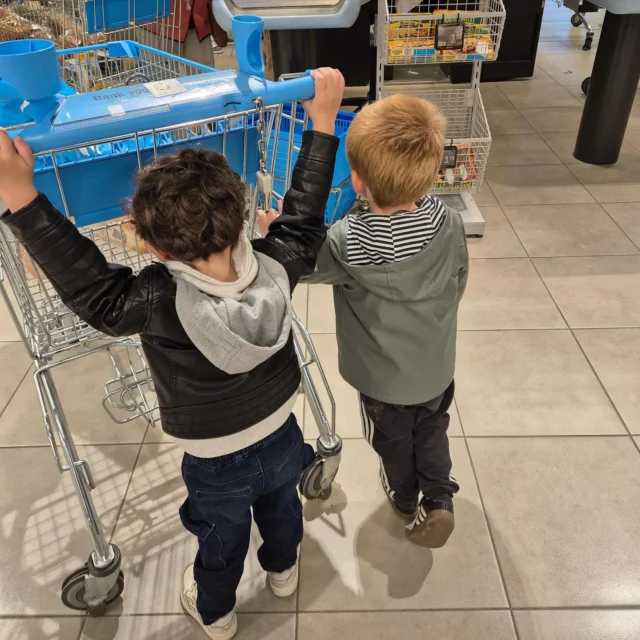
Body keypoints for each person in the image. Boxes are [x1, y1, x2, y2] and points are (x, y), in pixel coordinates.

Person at [0, 68, 344, 639]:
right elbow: (305, 218)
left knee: (220, 538)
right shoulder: (281, 259)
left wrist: (21, 198)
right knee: (283, 510)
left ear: (153, 250)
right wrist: (324, 123)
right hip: (285, 432)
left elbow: (94, 289)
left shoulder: (158, 298)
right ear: (239, 218)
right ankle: (283, 570)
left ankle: (217, 611)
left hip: (214, 461)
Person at [260, 93, 468, 549]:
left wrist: (274, 227)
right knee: (432, 427)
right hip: (435, 366)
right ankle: (440, 496)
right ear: (431, 174)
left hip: (383, 383)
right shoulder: (449, 223)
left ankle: (404, 493)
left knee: (393, 444)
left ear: (356, 181)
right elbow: (459, 278)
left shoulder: (347, 242)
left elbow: (306, 266)